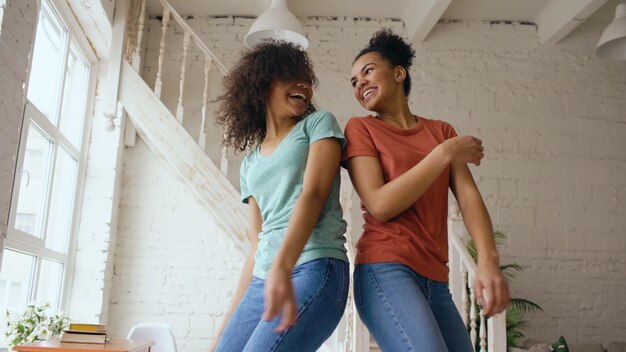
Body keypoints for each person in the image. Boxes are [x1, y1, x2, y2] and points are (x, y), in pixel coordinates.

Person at [343, 29, 510, 351]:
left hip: (436, 279)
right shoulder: (361, 128)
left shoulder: (441, 131)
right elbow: (380, 204)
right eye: (353, 81)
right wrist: (444, 154)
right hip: (385, 269)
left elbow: (468, 198)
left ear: (398, 72)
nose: (359, 83)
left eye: (367, 72)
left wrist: (488, 261)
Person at [209, 40, 349, 352]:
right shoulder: (250, 163)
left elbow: (313, 194)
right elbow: (257, 244)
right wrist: (226, 323)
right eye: (291, 75)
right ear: (262, 85)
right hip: (264, 278)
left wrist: (283, 266)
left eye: (307, 79)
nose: (304, 84)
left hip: (314, 265)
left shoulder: (318, 124)